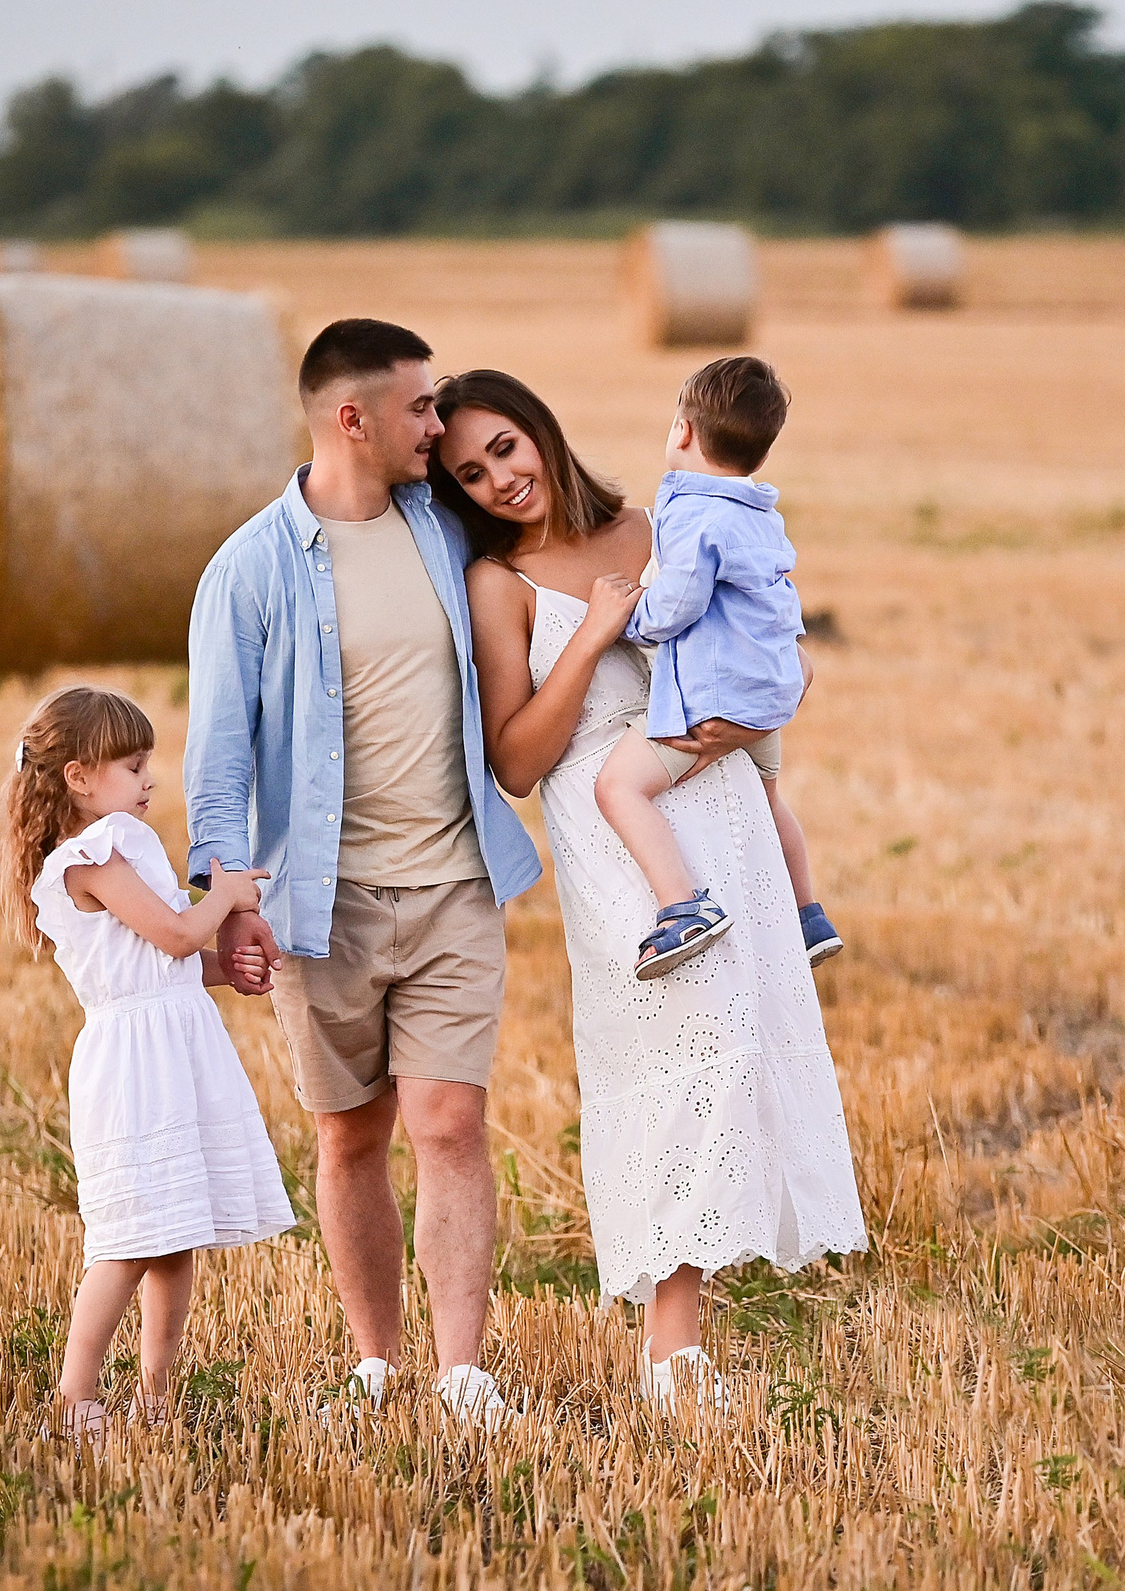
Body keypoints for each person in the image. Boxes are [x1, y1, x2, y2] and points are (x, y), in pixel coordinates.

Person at [436, 368, 869, 1413]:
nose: (498, 478)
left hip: (712, 803)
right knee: (674, 1062)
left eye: (505, 447)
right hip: (612, 838)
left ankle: (685, 1342)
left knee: (734, 1052)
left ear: (541, 431)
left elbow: (760, 630)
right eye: (469, 473)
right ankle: (671, 1356)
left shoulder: (652, 524)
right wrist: (588, 635)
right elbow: (516, 761)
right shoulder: (497, 584)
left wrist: (755, 714)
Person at [186, 319, 543, 1430]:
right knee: (351, 1135)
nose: (440, 428)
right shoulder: (247, 569)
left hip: (453, 887)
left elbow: (564, 538)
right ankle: (377, 1361)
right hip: (318, 904)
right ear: (355, 419)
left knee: (449, 1124)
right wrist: (224, 901)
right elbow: (217, 764)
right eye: (422, 410)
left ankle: (461, 1372)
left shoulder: (450, 530)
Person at [0, 684, 292, 1442]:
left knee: (177, 1234)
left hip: (173, 1049)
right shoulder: (89, 859)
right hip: (133, 1067)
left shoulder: (122, 847)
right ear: (81, 778)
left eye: (148, 763)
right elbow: (180, 936)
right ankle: (76, 1394)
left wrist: (230, 971)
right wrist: (225, 896)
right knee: (127, 1244)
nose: (150, 779)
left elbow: (168, 960)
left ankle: (159, 1400)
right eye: (132, 765)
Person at [593, 355, 842, 979]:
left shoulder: (688, 511)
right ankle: (807, 913)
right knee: (770, 797)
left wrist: (626, 620)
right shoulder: (760, 511)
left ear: (682, 430)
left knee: (619, 787)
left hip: (716, 702)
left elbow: (677, 603)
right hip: (769, 695)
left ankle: (683, 907)